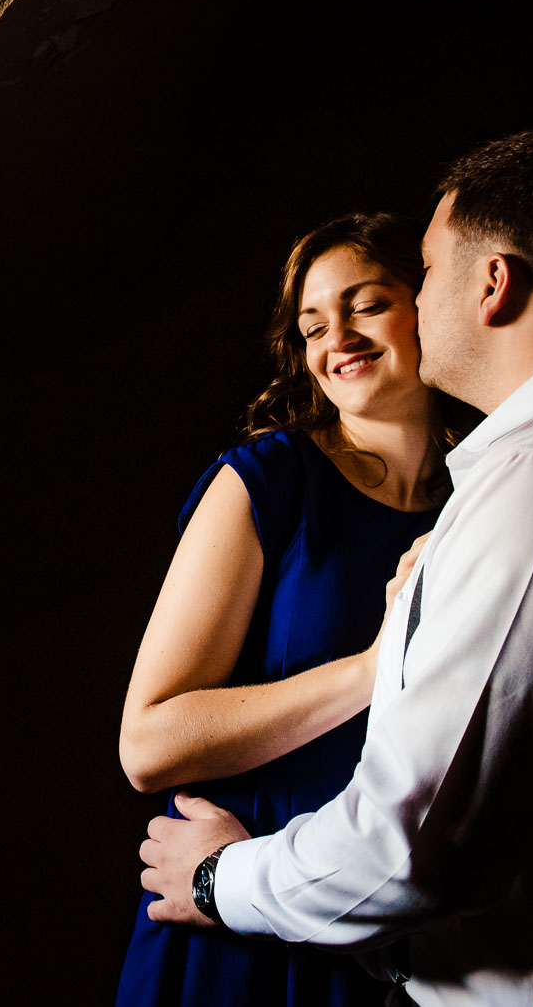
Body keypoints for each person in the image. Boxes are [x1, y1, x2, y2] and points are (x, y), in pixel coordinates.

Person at [138, 120, 533, 1004]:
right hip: (291, 920)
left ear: (493, 283)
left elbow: (412, 845)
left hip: (345, 909)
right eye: (311, 323)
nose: (341, 338)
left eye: (417, 278)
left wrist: (224, 880)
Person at [116, 212, 451, 1005]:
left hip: (399, 928)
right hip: (232, 919)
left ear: (430, 303)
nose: (338, 335)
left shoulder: (482, 500)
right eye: (312, 325)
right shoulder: (268, 480)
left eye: (366, 304)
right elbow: (149, 743)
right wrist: (375, 668)